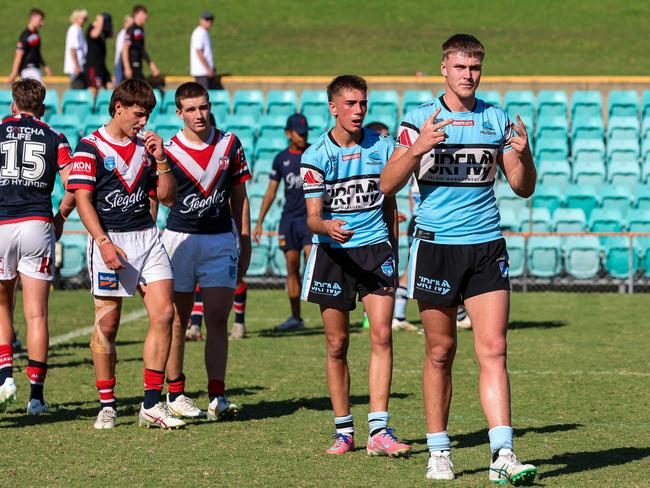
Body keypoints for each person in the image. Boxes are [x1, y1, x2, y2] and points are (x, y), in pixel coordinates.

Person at [380, 34, 537, 483]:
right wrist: (417, 147)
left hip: (486, 245)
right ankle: (439, 450)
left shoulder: (497, 118)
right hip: (436, 247)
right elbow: (387, 185)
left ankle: (502, 454)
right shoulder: (419, 119)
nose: (469, 75)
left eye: (475, 68)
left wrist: (524, 155)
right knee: (440, 351)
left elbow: (522, 185)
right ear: (444, 68)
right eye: (460, 67)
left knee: (494, 348)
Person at [300, 75, 411, 457]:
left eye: (363, 103)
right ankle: (343, 430)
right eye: (350, 103)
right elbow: (312, 217)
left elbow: (390, 204)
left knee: (382, 335)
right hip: (333, 255)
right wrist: (326, 225)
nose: (358, 110)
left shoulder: (383, 146)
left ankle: (379, 430)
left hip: (376, 251)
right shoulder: (315, 156)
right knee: (337, 343)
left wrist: (393, 251)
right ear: (333, 107)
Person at [67, 79, 184, 430]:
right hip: (110, 241)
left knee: (164, 315)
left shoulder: (147, 149)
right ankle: (107, 403)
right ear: (118, 106)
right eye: (138, 113)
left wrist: (162, 160)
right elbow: (83, 201)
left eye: (147, 114)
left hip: (148, 239)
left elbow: (167, 198)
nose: (143, 121)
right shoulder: (90, 147)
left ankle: (150, 403)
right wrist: (102, 242)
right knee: (108, 325)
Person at [161, 82, 251, 420]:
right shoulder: (168, 150)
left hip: (219, 240)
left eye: (204, 107)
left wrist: (246, 238)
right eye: (191, 109)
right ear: (179, 113)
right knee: (177, 320)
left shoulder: (230, 143)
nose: (199, 114)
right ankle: (176, 392)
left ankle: (217, 395)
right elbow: (159, 198)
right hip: (179, 240)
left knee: (216, 316)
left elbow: (240, 197)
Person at [0, 79, 75, 414]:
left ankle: (5, 379)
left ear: (14, 104)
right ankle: (36, 397)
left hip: (2, 224)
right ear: (42, 106)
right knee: (36, 314)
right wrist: (60, 217)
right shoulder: (55, 137)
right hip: (37, 224)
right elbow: (74, 185)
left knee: (3, 306)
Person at [253, 113, 312, 332]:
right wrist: (259, 221)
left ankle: (329, 313)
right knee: (292, 267)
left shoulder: (314, 153)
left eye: (305, 133)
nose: (303, 137)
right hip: (289, 220)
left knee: (313, 263)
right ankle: (296, 317)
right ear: (288, 133)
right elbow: (270, 191)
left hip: (310, 219)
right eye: (299, 133)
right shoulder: (281, 159)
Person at [8, 9, 52, 84]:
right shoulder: (25, 35)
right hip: (28, 70)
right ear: (33, 18)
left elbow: (37, 52)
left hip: (35, 69)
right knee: (37, 92)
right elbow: (19, 54)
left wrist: (44, 66)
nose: (42, 23)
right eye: (40, 20)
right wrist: (14, 72)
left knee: (39, 91)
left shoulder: (36, 33)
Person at [122, 5, 160, 81]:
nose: (146, 16)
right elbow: (125, 49)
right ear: (137, 14)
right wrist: (127, 67)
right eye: (144, 14)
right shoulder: (131, 29)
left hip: (138, 64)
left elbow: (142, 49)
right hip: (132, 65)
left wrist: (151, 65)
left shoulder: (141, 30)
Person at [85, 12, 114, 96]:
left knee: (110, 85)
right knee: (94, 88)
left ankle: (109, 106)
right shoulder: (92, 29)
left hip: (102, 66)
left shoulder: (103, 32)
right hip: (93, 66)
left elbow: (111, 34)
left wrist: (108, 23)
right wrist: (100, 20)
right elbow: (95, 34)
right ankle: (93, 107)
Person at [190, 12, 220, 90]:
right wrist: (208, 68)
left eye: (211, 19)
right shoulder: (199, 33)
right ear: (200, 20)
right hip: (202, 71)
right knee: (203, 96)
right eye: (206, 19)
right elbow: (199, 51)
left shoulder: (204, 32)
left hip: (205, 71)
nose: (209, 22)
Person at [64, 9, 88, 89]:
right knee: (77, 87)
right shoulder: (74, 29)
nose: (83, 20)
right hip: (77, 66)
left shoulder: (78, 29)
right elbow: (73, 48)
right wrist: (76, 65)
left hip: (80, 65)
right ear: (75, 18)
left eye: (85, 18)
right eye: (81, 18)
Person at [114, 15, 133, 85]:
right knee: (120, 84)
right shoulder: (124, 34)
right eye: (130, 23)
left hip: (122, 61)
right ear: (125, 23)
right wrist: (126, 67)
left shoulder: (126, 33)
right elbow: (122, 51)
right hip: (121, 61)